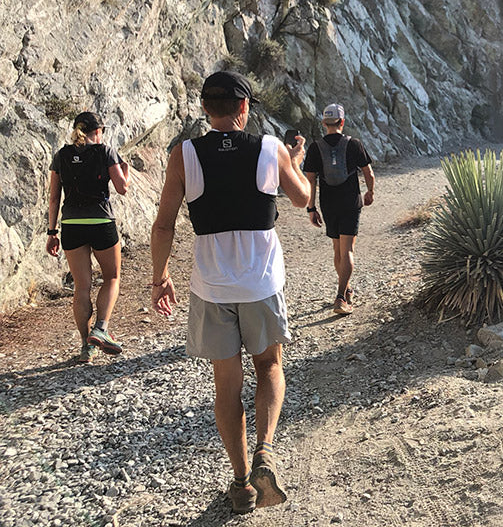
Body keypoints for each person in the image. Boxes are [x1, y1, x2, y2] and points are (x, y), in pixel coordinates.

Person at [149, 71, 310, 514]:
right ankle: (264, 450)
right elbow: (302, 197)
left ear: (205, 109)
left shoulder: (184, 154)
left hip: (211, 287)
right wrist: (292, 161)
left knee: (227, 385)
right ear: (244, 108)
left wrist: (160, 277)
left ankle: (240, 483)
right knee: (270, 365)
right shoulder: (269, 148)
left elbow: (163, 224)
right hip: (261, 283)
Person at [46, 111, 130, 363]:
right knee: (112, 277)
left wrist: (52, 232)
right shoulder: (105, 152)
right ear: (98, 131)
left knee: (82, 287)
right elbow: (122, 188)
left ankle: (86, 347)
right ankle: (101, 329)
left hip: (71, 224)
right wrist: (126, 171)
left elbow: (53, 197)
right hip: (101, 222)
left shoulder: (61, 156)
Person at [303, 103, 374, 315]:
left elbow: (311, 181)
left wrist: (311, 208)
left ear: (324, 123)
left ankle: (346, 288)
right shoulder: (354, 144)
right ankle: (341, 297)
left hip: (328, 203)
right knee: (348, 250)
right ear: (342, 122)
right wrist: (370, 192)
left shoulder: (315, 147)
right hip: (350, 202)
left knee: (337, 250)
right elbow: (368, 172)